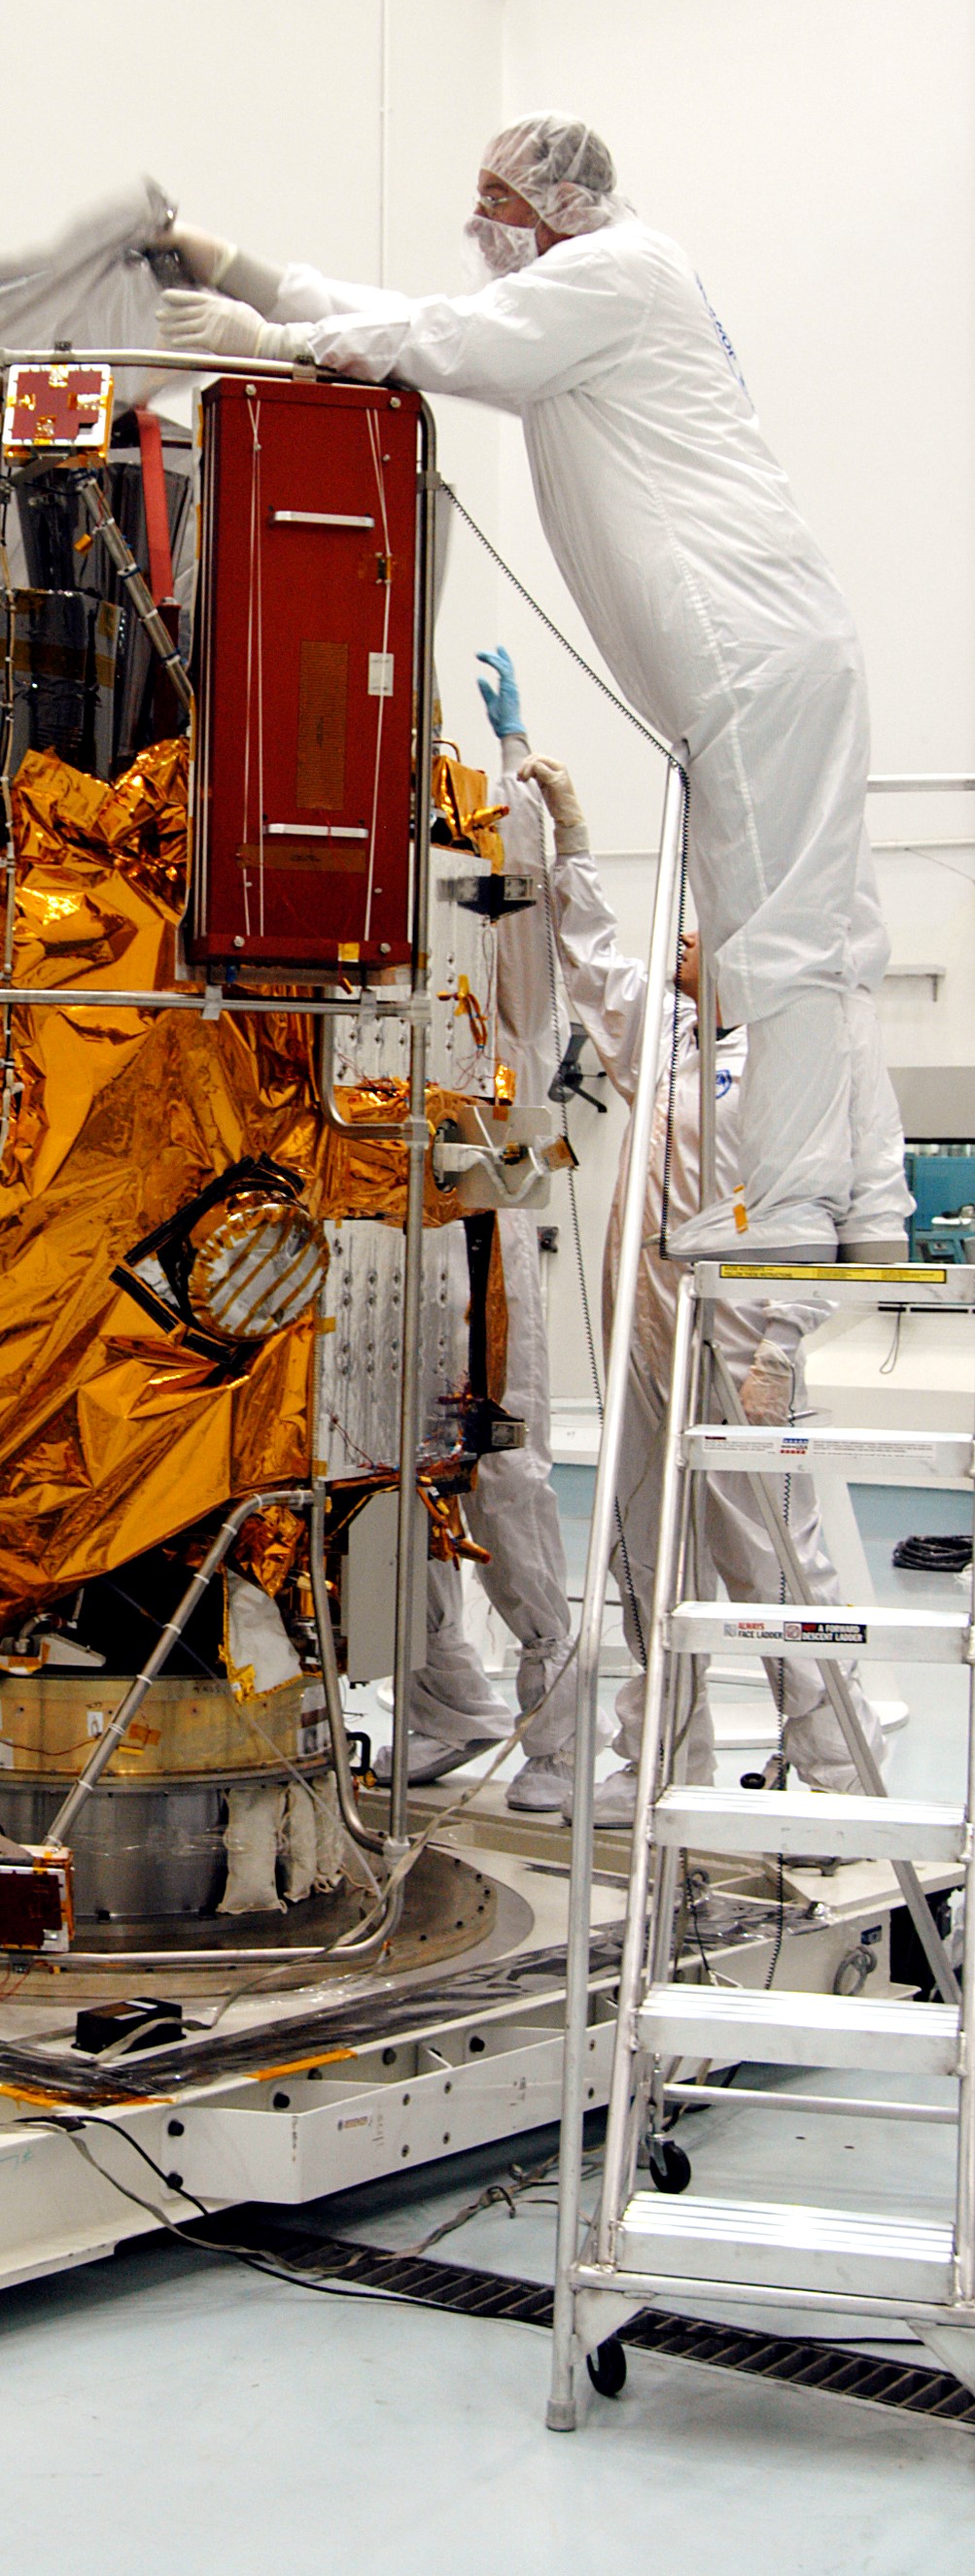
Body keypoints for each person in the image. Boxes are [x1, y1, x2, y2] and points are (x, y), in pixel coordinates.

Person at [156, 120, 906, 1263]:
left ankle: (788, 1205)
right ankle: (867, 1203)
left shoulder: (610, 274)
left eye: (496, 199)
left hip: (750, 650)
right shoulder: (606, 290)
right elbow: (441, 321)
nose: (482, 224)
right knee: (828, 931)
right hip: (772, 648)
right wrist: (249, 269)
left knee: (781, 930)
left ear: (555, 200)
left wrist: (269, 334)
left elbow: (452, 340)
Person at [523, 744, 898, 1823]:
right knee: (645, 1548)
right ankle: (660, 1762)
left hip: (744, 1338)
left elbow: (846, 1207)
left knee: (775, 1563)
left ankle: (840, 1776)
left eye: (699, 930)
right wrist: (573, 844)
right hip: (650, 1330)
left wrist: (785, 1338)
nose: (680, 940)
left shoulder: (805, 1047)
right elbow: (595, 964)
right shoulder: (675, 1034)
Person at [373, 645, 576, 1811]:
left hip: (481, 1248)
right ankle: (445, 1699)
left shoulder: (491, 949)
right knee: (388, 1481)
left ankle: (554, 1737)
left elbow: (528, 896)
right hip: (384, 1246)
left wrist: (511, 750)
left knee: (504, 1480)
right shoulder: (375, 922)